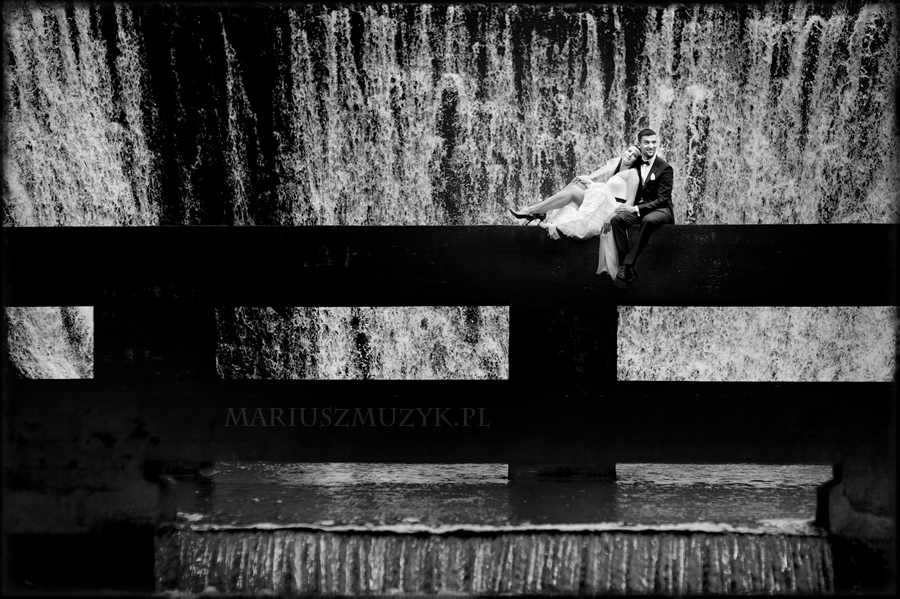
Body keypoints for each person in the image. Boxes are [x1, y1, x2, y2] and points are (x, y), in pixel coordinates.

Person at [508, 145, 642, 281]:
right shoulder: (615, 171)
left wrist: (612, 217)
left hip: (612, 209)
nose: (630, 154)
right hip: (604, 205)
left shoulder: (632, 173)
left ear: (636, 160)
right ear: (624, 151)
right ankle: (538, 211)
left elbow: (629, 203)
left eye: (634, 155)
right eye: (629, 151)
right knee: (574, 190)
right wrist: (587, 180)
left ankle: (532, 211)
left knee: (574, 191)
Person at [608, 128, 674, 289]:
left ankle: (626, 266)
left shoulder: (665, 168)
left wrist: (636, 208)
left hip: (661, 210)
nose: (651, 146)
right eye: (647, 143)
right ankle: (626, 268)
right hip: (641, 209)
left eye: (654, 142)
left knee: (648, 220)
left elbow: (662, 199)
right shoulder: (635, 164)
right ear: (640, 144)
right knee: (617, 220)